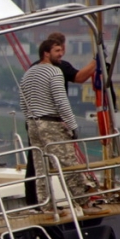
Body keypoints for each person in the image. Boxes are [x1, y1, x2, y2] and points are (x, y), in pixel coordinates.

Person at [20, 37, 95, 206]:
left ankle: (44, 205)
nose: (61, 54)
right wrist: (73, 125)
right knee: (68, 164)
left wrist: (30, 120)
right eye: (57, 51)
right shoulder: (54, 72)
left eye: (61, 50)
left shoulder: (28, 73)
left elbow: (23, 102)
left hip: (33, 124)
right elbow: (61, 101)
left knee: (41, 169)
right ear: (46, 53)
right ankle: (84, 202)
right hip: (50, 123)